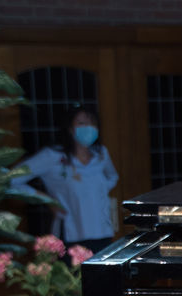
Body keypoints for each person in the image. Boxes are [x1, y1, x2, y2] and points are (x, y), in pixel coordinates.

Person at [13, 105, 119, 253]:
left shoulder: (101, 154)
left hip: (102, 232)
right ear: (70, 128)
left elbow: (113, 177)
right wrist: (46, 199)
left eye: (92, 123)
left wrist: (96, 192)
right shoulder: (53, 156)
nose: (88, 128)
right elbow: (11, 180)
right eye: (82, 123)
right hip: (72, 234)